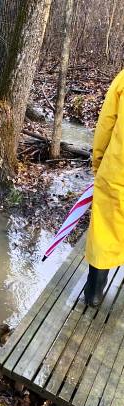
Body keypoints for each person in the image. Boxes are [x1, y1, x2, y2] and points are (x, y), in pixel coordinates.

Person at [85, 69, 124, 307]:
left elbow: (106, 124)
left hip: (118, 169)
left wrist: (98, 161)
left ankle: (94, 294)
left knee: (105, 230)